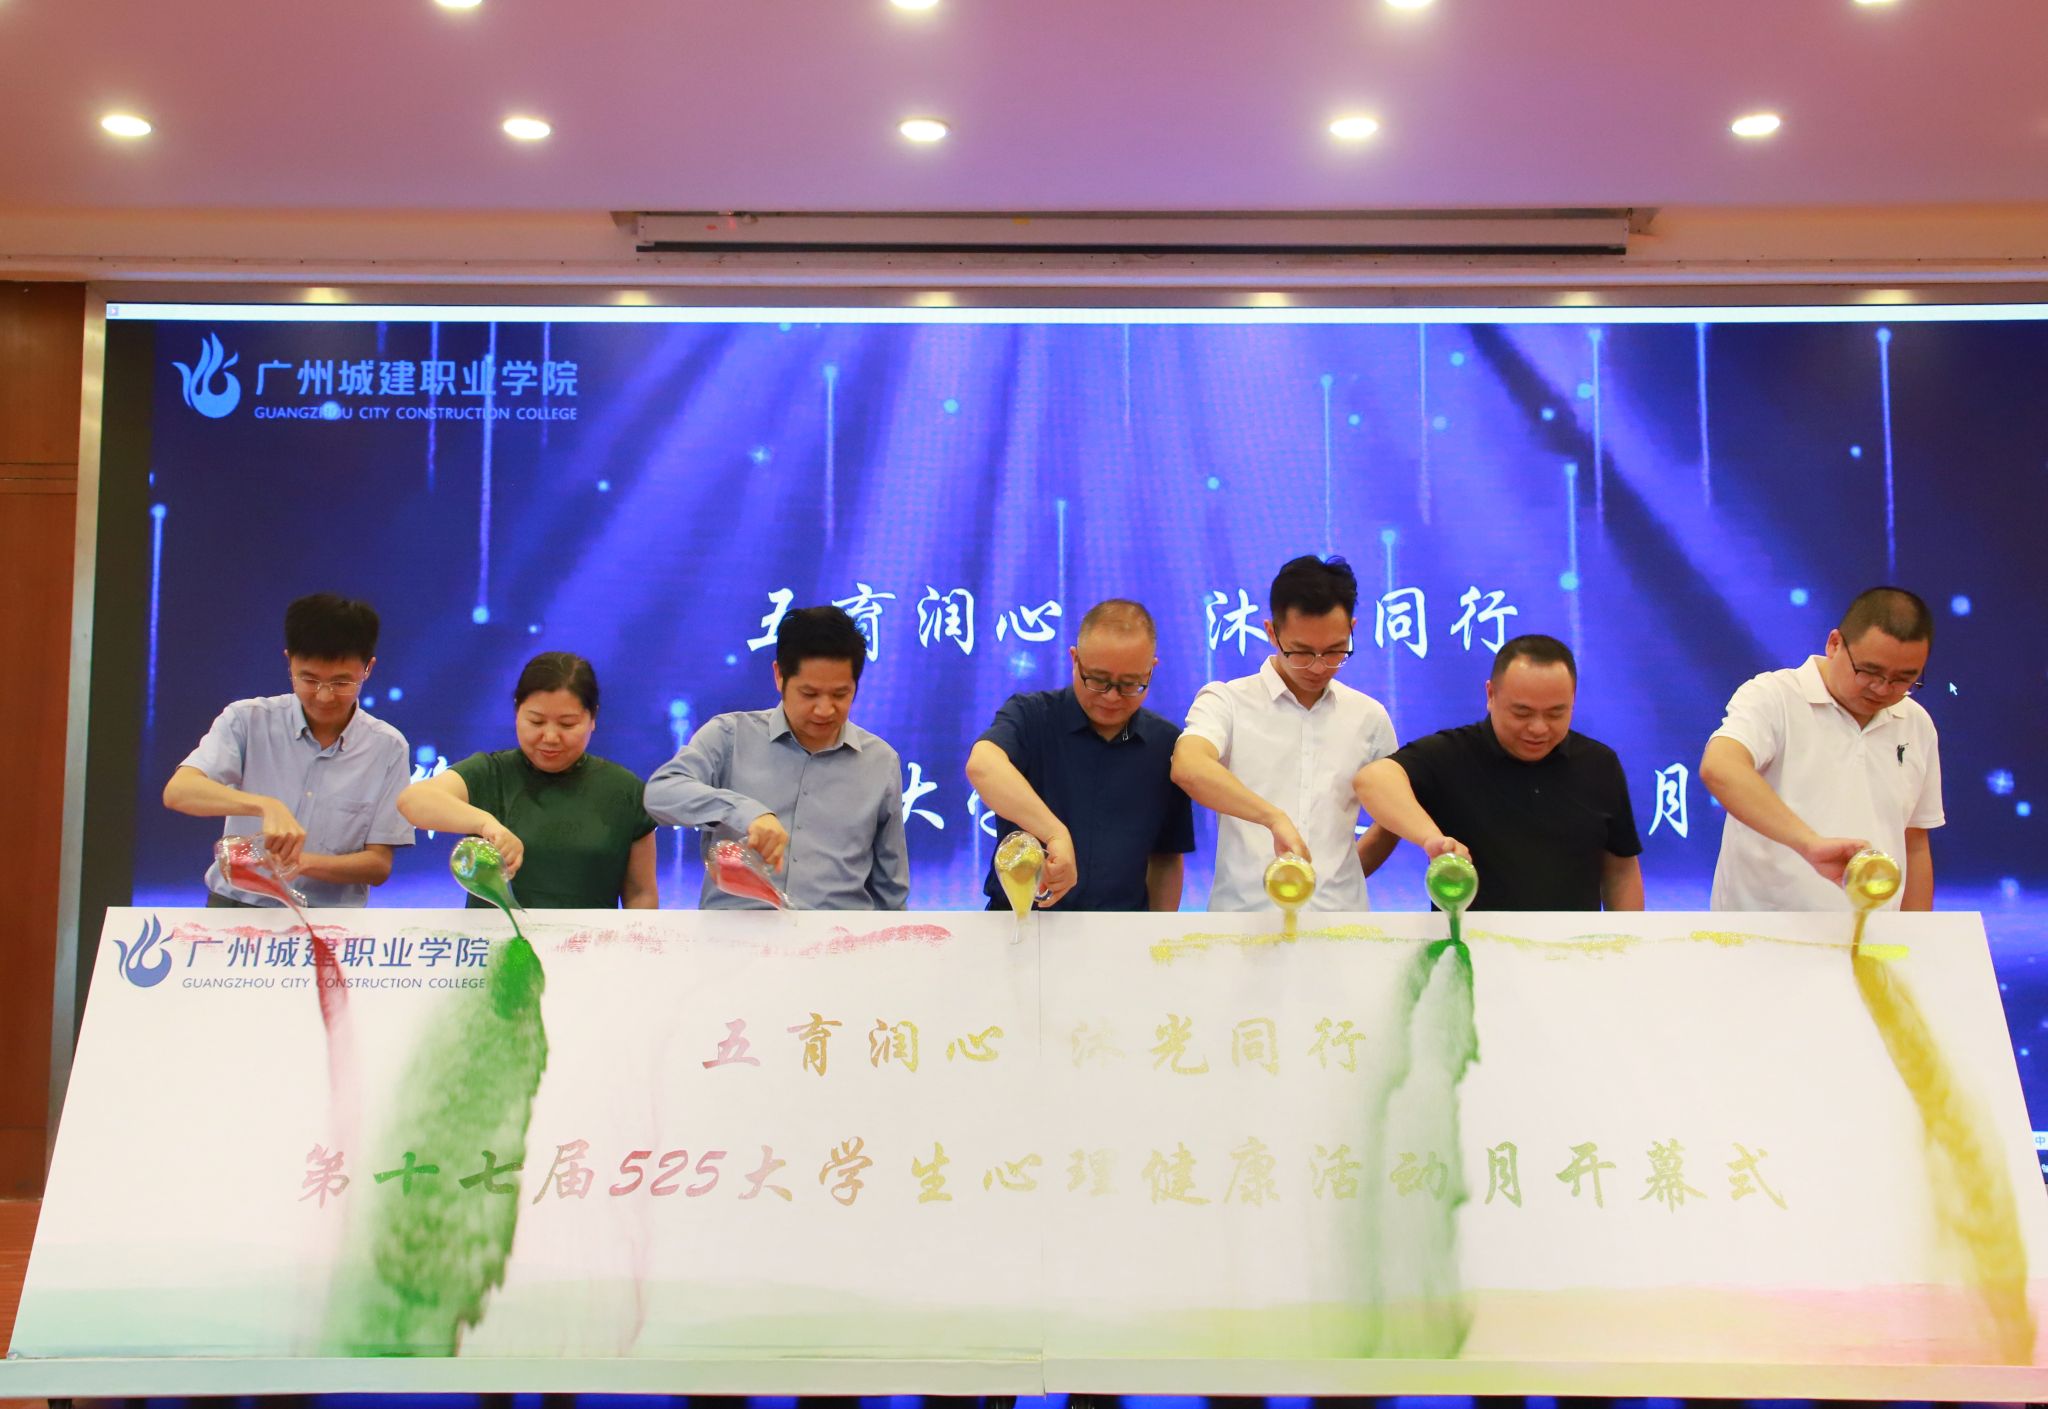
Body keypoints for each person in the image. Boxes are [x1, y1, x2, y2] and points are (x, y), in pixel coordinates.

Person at [1171, 554, 1399, 912]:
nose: (1319, 667)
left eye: (1335, 651)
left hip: (1341, 927)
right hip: (1242, 923)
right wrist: (1272, 818)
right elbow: (1188, 766)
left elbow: (1394, 814)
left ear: (1352, 629)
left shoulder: (1368, 716)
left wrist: (1342, 880)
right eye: (1302, 652)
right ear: (1271, 632)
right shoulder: (1227, 701)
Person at [1353, 634, 1644, 911]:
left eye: (1556, 713)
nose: (1538, 728)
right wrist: (1432, 839)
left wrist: (1631, 939)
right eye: (1522, 713)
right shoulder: (1451, 755)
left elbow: (1620, 870)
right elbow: (1373, 780)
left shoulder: (1600, 764)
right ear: (1491, 694)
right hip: (1469, 942)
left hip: (1573, 943)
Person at [646, 605, 909, 910]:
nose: (825, 709)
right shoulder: (730, 736)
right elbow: (660, 794)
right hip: (736, 933)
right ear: (779, 676)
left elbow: (891, 891)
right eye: (809, 694)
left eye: (840, 694)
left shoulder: (880, 761)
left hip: (836, 934)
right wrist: (745, 812)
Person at [162, 592, 413, 906]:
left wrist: (303, 863)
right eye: (308, 679)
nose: (324, 696)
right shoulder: (248, 719)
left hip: (328, 920)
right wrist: (264, 806)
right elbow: (179, 791)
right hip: (235, 909)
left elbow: (378, 866)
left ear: (368, 669)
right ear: (288, 661)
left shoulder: (387, 747)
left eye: (341, 683)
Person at [1702, 586, 1943, 911]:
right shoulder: (1774, 696)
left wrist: (1915, 933)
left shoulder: (1916, 722)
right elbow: (1720, 767)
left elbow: (1914, 844)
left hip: (1873, 932)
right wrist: (1809, 844)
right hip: (1762, 930)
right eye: (1869, 671)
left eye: (1904, 678)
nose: (1883, 688)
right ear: (1834, 644)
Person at [964, 599, 1196, 911]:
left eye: (1130, 684)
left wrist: (1157, 932)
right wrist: (1055, 833)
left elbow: (1166, 857)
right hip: (1024, 920)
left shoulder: (1165, 744)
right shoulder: (1031, 716)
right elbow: (982, 765)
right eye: (1098, 680)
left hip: (1120, 927)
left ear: (1151, 669)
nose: (1111, 697)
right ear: (1075, 659)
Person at [397, 652, 657, 909]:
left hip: (590, 937)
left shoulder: (625, 790)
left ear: (593, 718)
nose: (550, 737)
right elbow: (412, 800)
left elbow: (641, 894)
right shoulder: (490, 773)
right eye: (536, 721)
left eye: (567, 724)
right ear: (516, 712)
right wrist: (487, 825)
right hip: (497, 937)